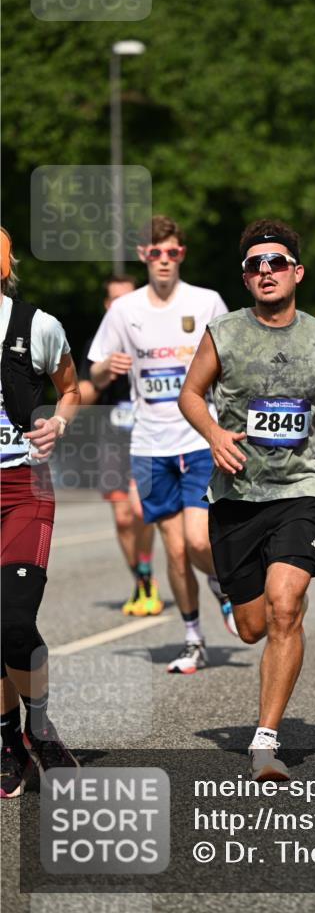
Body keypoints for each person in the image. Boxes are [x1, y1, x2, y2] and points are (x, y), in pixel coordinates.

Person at [178, 218, 315, 781]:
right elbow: (190, 394)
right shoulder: (223, 333)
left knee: (287, 605)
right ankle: (229, 594)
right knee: (253, 626)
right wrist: (213, 434)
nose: (266, 272)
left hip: (298, 489)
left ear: (296, 271)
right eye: (255, 265)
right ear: (245, 277)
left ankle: (265, 742)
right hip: (236, 494)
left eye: (276, 262)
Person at [88, 215, 233, 674]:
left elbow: (234, 365)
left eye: (172, 252)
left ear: (181, 254)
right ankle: (193, 639)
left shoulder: (207, 302)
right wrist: (106, 367)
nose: (164, 260)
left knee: (196, 540)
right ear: (143, 255)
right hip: (149, 446)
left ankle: (221, 584)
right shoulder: (124, 309)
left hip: (197, 438)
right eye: (155, 252)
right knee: (173, 551)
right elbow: (92, 373)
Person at [0, 227, 80, 798]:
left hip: (24, 484)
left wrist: (59, 419)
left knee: (14, 620)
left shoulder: (38, 326)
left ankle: (40, 723)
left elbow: (70, 388)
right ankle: (8, 740)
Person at [79, 275, 161, 616]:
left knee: (141, 510)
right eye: (114, 299)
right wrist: (102, 373)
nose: (120, 306)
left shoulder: (155, 338)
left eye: (127, 298)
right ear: (106, 305)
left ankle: (145, 579)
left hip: (149, 436)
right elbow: (80, 396)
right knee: (123, 519)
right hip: (112, 439)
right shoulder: (97, 345)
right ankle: (143, 581)